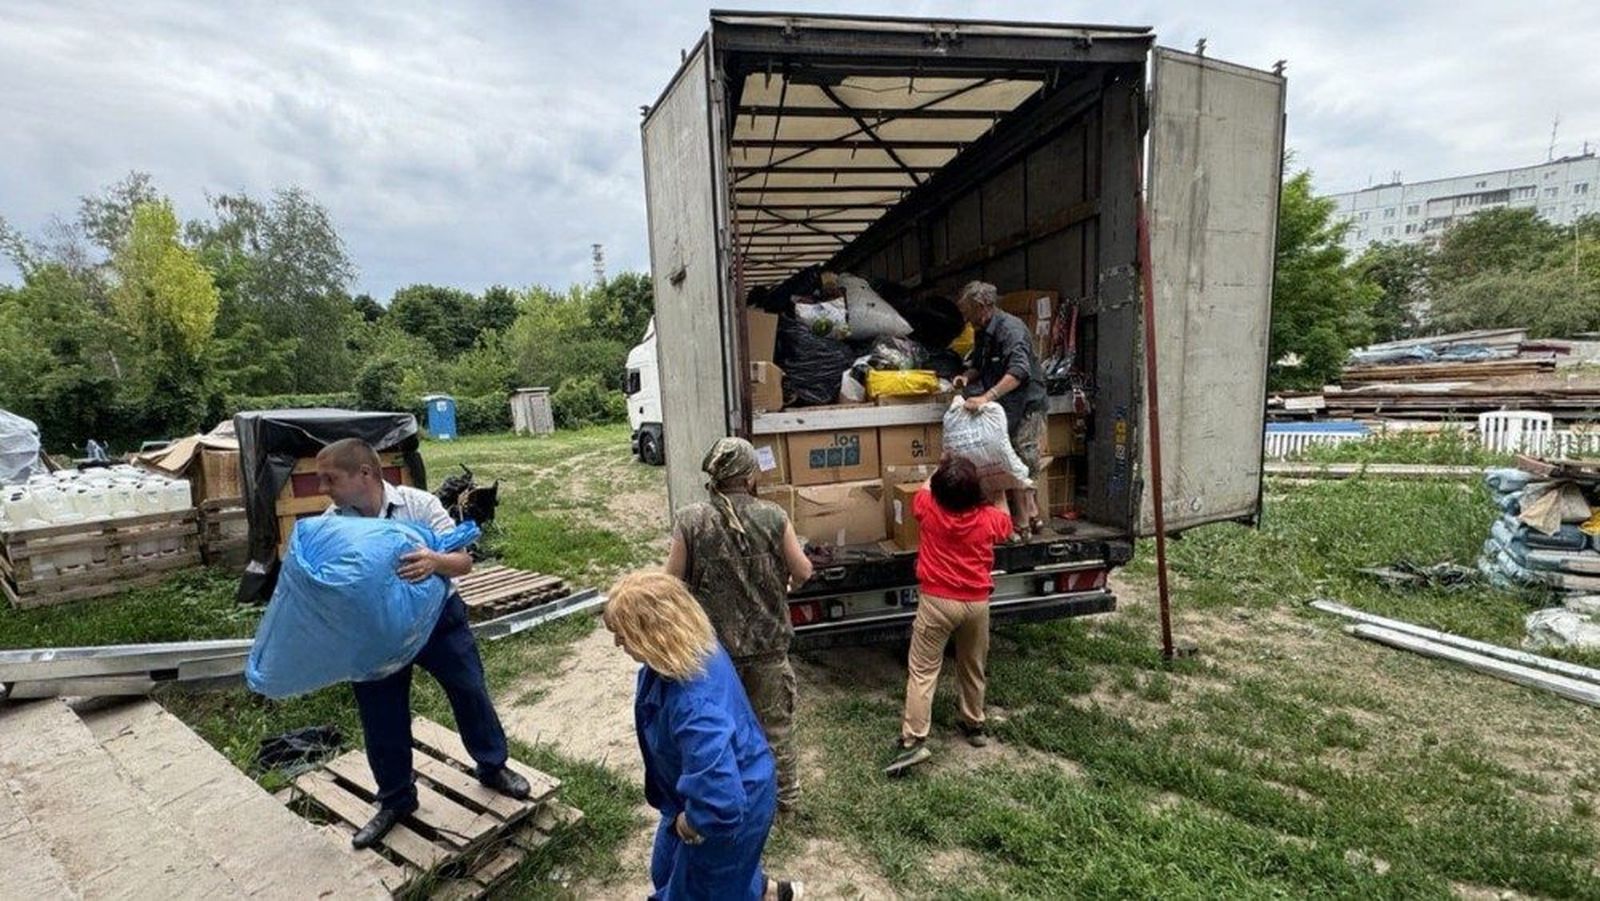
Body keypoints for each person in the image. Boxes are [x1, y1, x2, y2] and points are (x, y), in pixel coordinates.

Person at [315, 438, 529, 848]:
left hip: (437, 622)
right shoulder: (333, 522)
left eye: (330, 478)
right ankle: (395, 800)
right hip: (377, 632)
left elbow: (464, 561)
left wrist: (434, 561)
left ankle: (493, 767)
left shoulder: (420, 506)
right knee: (380, 713)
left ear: (364, 474)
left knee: (470, 691)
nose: (324, 487)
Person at [605, 570, 802, 901]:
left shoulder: (694, 706)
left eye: (623, 635)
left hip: (727, 804)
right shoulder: (687, 649)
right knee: (665, 870)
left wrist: (693, 824)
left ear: (654, 634)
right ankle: (765, 891)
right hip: (700, 787)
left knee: (696, 891)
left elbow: (721, 802)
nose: (617, 643)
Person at [665, 437, 813, 812]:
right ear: (749, 477)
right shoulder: (774, 516)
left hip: (714, 653)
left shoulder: (691, 519)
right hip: (767, 647)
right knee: (775, 728)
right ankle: (786, 800)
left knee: (719, 730)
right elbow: (803, 571)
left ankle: (727, 800)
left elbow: (670, 583)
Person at [885, 456, 1014, 777]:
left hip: (937, 602)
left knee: (923, 671)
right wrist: (999, 491)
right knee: (972, 664)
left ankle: (912, 740)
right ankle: (974, 723)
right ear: (974, 493)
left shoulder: (928, 508)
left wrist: (939, 468)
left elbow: (926, 487)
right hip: (976, 604)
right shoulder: (988, 519)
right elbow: (1007, 523)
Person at [951, 280, 1048, 537]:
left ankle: (1026, 519)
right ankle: (1030, 517)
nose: (966, 318)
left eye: (968, 311)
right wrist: (967, 377)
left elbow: (1019, 371)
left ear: (983, 306)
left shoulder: (1011, 329)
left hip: (1026, 403)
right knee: (1009, 458)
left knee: (1023, 457)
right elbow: (980, 366)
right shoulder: (982, 330)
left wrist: (986, 397)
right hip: (1004, 405)